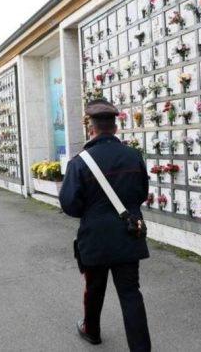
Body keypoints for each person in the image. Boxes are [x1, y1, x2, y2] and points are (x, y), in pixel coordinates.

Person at [59, 99, 152, 352]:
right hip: (128, 234)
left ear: (91, 128)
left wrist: (91, 212)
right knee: (131, 294)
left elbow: (69, 205)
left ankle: (92, 331)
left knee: (94, 288)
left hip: (95, 239)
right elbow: (142, 193)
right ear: (115, 128)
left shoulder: (79, 162)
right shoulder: (133, 156)